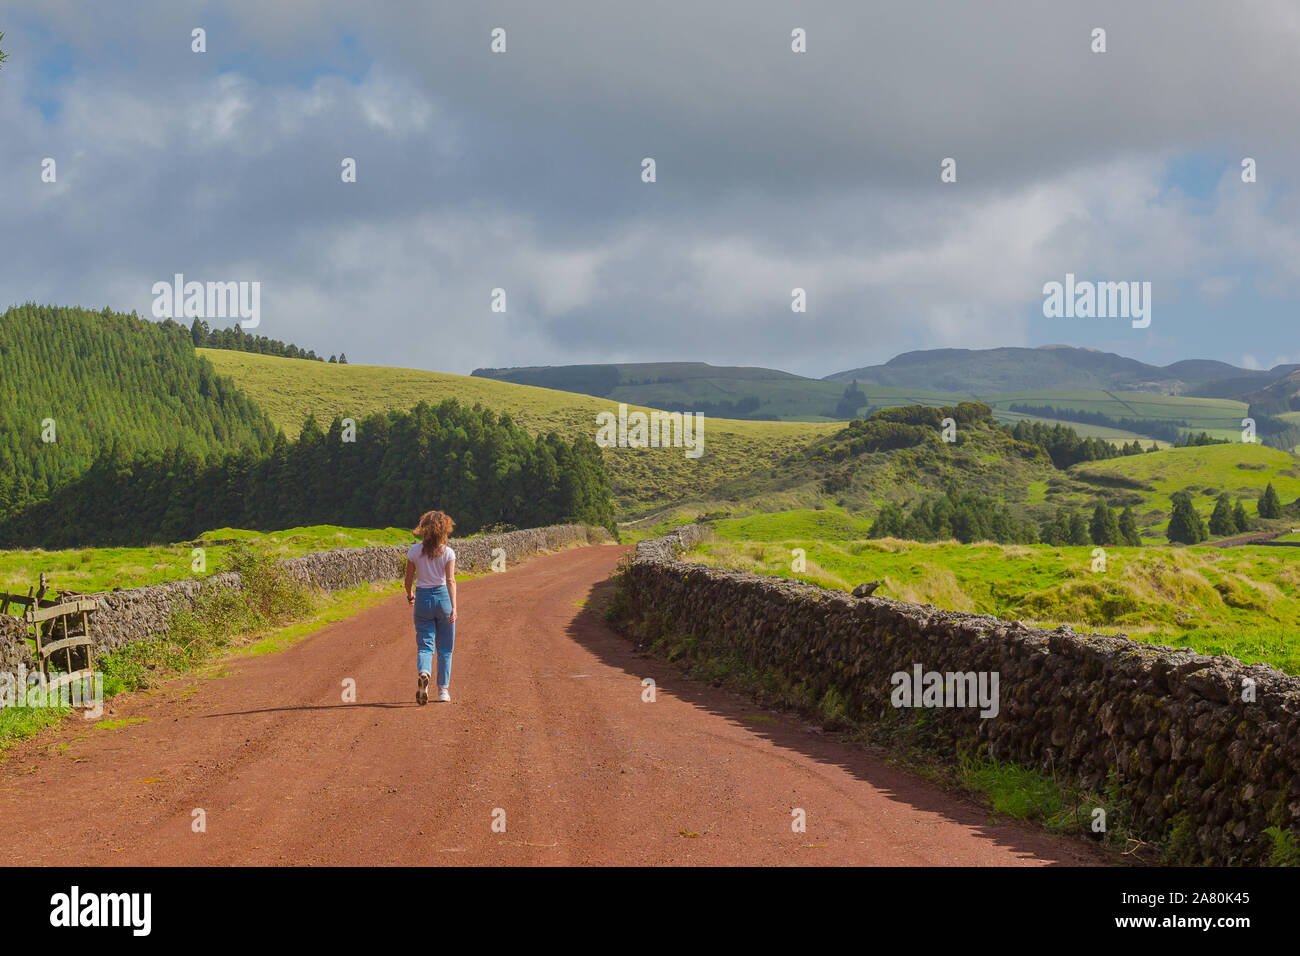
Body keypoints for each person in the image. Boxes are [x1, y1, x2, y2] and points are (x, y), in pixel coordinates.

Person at [404, 510, 457, 704]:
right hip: (443, 598)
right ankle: (443, 691)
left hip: (423, 599)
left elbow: (408, 581)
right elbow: (450, 581)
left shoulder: (414, 551)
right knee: (445, 648)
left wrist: (410, 596)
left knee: (425, 645)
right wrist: (454, 607)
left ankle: (424, 672)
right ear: (444, 529)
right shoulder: (448, 552)